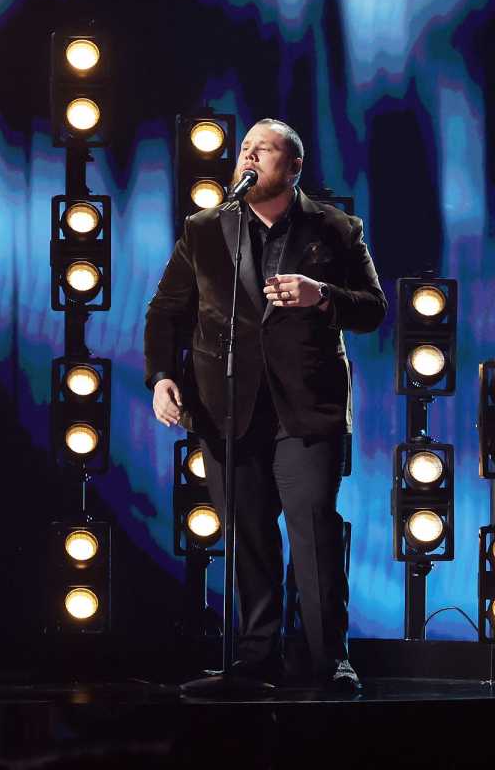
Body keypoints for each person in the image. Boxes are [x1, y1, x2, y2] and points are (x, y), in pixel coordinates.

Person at [143, 119, 386, 690]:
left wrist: (321, 295)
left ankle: (330, 660)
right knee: (247, 533)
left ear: (293, 166)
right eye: (244, 149)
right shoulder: (205, 229)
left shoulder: (337, 229)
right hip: (227, 406)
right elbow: (165, 311)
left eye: (264, 150)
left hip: (306, 409)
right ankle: (255, 658)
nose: (248, 156)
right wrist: (159, 377)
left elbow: (373, 307)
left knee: (313, 532)